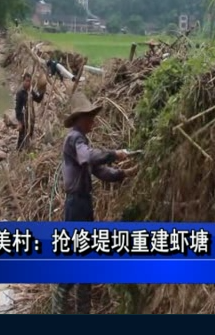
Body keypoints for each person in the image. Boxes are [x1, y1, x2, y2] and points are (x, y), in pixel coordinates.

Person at [52, 92, 137, 314]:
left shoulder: (81, 141)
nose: (93, 120)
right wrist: (114, 154)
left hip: (82, 204)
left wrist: (123, 174)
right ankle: (58, 309)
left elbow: (99, 170)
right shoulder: (75, 139)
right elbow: (90, 158)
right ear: (79, 119)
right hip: (76, 205)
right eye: (89, 116)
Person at [15, 72, 46, 151]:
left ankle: (27, 152)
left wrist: (42, 91)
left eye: (29, 81)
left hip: (31, 118)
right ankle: (19, 153)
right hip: (24, 119)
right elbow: (17, 109)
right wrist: (20, 122)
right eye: (26, 81)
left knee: (30, 135)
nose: (28, 83)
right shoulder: (20, 93)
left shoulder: (30, 92)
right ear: (23, 81)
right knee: (22, 137)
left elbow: (38, 99)